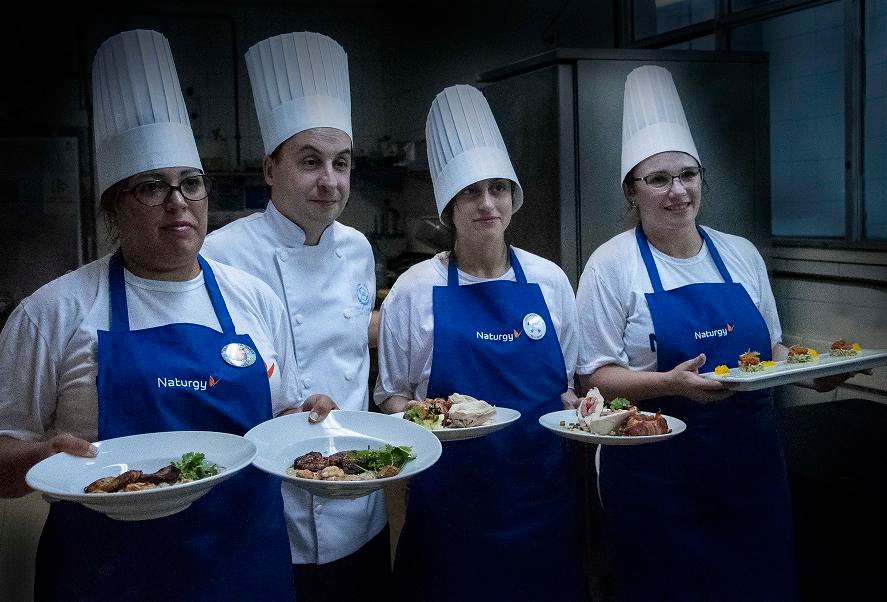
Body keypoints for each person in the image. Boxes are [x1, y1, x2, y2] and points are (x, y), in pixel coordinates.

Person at [0, 30, 331, 601]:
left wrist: (310, 414)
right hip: (106, 575)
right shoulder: (51, 313)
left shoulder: (253, 299)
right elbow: (4, 465)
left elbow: (283, 419)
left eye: (191, 184)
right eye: (152, 187)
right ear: (113, 204)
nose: (179, 202)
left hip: (243, 566)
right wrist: (37, 456)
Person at [575, 65, 850, 601]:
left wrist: (813, 369)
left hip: (751, 477)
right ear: (632, 190)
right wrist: (669, 386)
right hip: (657, 485)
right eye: (658, 179)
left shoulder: (740, 253)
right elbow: (594, 376)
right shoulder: (611, 266)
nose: (678, 192)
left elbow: (771, 349)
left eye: (688, 175)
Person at [375, 84, 586, 601]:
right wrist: (420, 415)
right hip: (450, 508)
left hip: (543, 500)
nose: (488, 203)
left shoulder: (550, 281)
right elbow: (391, 397)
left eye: (498, 188)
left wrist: (585, 407)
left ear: (514, 198)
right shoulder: (416, 288)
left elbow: (571, 389)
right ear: (449, 206)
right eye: (471, 191)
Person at [200, 31, 388, 598]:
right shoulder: (220, 254)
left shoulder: (358, 248)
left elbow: (357, 345)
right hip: (262, 504)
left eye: (341, 163)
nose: (329, 181)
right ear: (270, 169)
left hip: (358, 495)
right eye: (310, 161)